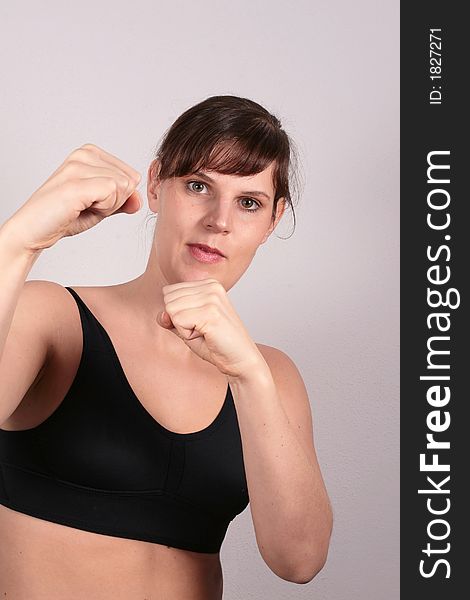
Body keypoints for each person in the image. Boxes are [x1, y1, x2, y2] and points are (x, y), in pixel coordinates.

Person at [0, 95, 332, 599]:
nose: (220, 220)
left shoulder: (270, 374)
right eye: (199, 186)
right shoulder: (53, 321)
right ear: (156, 184)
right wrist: (18, 241)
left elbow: (300, 559)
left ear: (272, 219)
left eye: (249, 202)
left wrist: (247, 375)